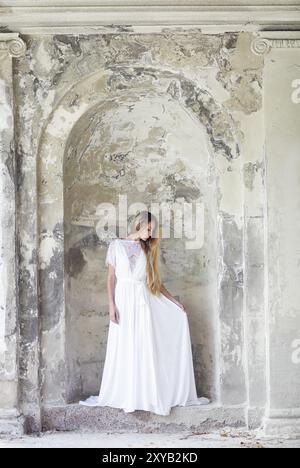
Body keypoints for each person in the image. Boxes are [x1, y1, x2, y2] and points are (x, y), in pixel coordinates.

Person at [80, 211, 209, 415]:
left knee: (143, 344)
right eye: (149, 229)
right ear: (139, 224)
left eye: (152, 230)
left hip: (142, 302)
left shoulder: (148, 250)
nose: (150, 233)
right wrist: (112, 306)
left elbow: (155, 283)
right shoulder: (116, 246)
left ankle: (145, 393)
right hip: (123, 300)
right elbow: (111, 279)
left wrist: (174, 301)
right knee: (125, 344)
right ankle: (126, 393)